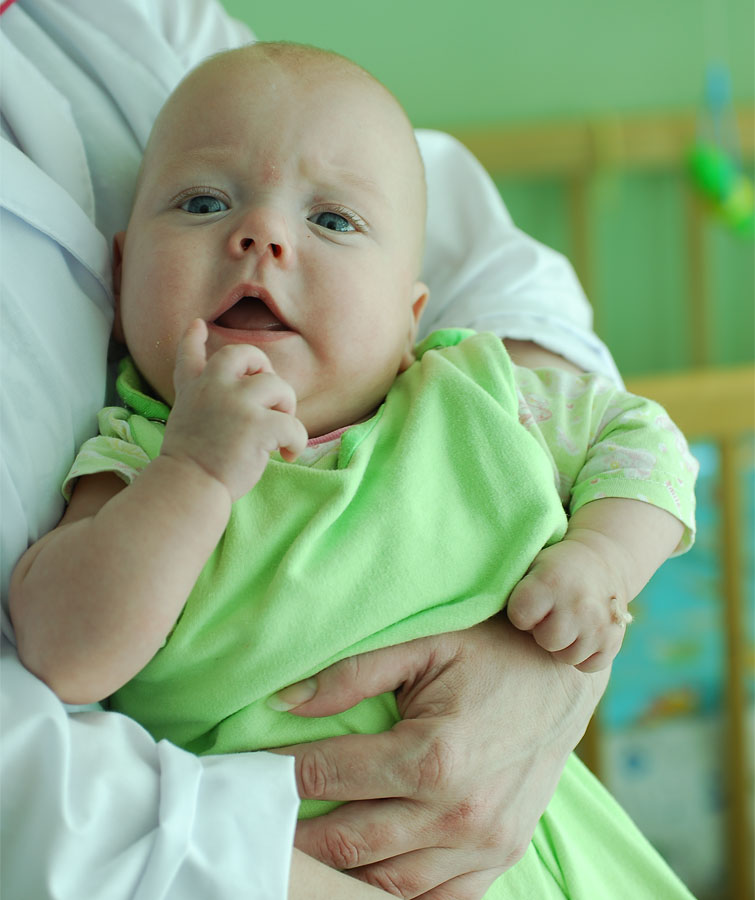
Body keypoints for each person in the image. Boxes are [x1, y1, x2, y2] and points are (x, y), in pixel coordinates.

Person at [0, 4, 663, 899]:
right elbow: (62, 652)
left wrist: (599, 559)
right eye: (203, 203)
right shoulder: (138, 457)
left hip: (527, 853)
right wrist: (196, 473)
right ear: (121, 278)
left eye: (334, 222)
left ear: (413, 317)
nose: (261, 237)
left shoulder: (468, 393)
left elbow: (638, 437)